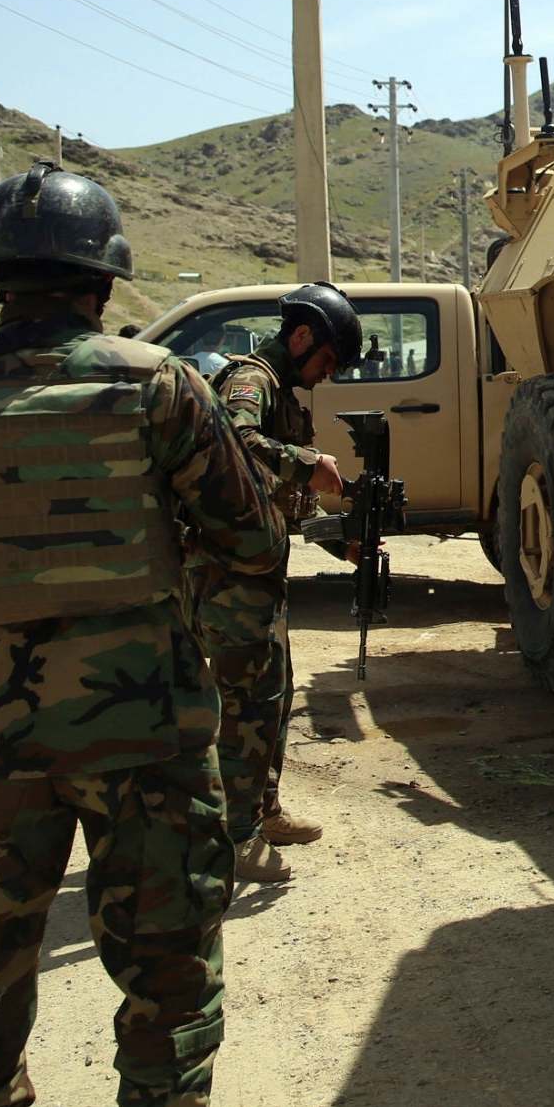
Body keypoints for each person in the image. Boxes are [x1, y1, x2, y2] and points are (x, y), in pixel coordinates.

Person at [0, 161, 281, 1107]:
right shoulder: (162, 387)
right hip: (144, 729)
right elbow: (251, 545)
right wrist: (213, 664)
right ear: (103, 281)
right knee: (168, 966)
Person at [201, 282, 359, 883]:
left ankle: (260, 809)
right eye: (325, 361)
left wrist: (336, 534)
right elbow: (236, 443)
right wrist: (307, 462)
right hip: (228, 572)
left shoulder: (286, 396)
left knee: (275, 694)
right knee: (245, 702)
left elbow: (287, 497)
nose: (326, 374)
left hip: (259, 569)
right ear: (300, 338)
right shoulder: (251, 381)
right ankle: (234, 836)